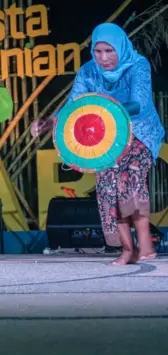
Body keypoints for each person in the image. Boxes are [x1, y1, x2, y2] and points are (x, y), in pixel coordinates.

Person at [31, 23, 164, 265]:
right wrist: (50, 122)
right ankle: (128, 249)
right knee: (107, 189)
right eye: (98, 51)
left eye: (109, 51)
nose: (103, 58)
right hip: (107, 138)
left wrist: (105, 109)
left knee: (129, 181)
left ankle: (145, 240)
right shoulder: (88, 71)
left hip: (140, 132)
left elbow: (140, 103)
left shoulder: (138, 65)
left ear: (120, 47)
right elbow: (73, 105)